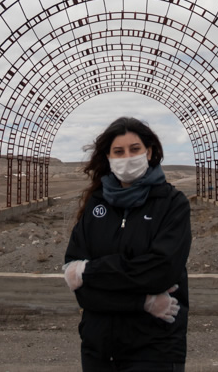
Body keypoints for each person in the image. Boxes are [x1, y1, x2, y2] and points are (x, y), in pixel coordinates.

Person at [63, 116, 192, 372]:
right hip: (99, 348)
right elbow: (80, 288)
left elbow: (160, 271)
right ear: (109, 158)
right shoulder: (95, 204)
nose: (127, 158)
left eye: (135, 150)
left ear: (150, 152)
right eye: (118, 152)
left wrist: (91, 271)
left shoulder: (172, 204)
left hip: (154, 348)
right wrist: (142, 302)